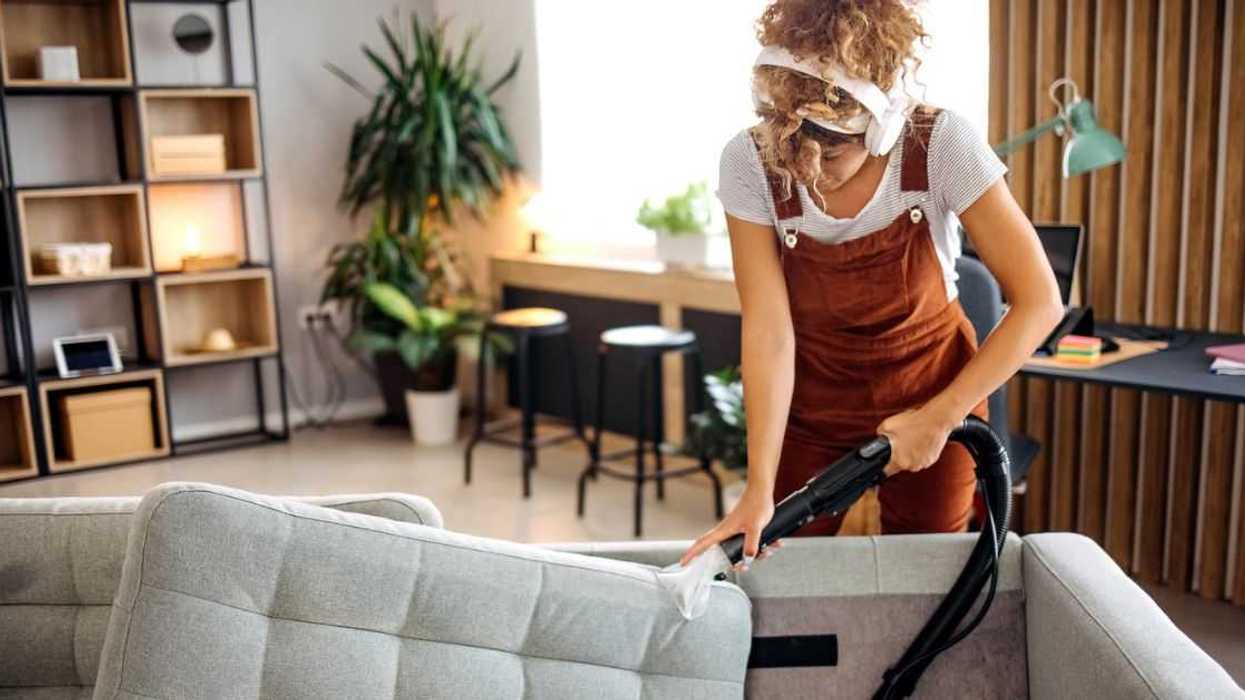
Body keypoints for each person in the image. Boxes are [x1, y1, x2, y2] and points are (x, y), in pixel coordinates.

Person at [680, 0, 1062, 571]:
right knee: (777, 566)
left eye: (830, 149)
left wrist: (939, 418)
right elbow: (768, 330)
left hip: (935, 389)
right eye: (790, 146)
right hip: (815, 400)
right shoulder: (750, 160)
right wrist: (758, 487)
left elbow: (1040, 302)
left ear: (880, 125)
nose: (806, 169)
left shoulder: (939, 144)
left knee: (926, 578)